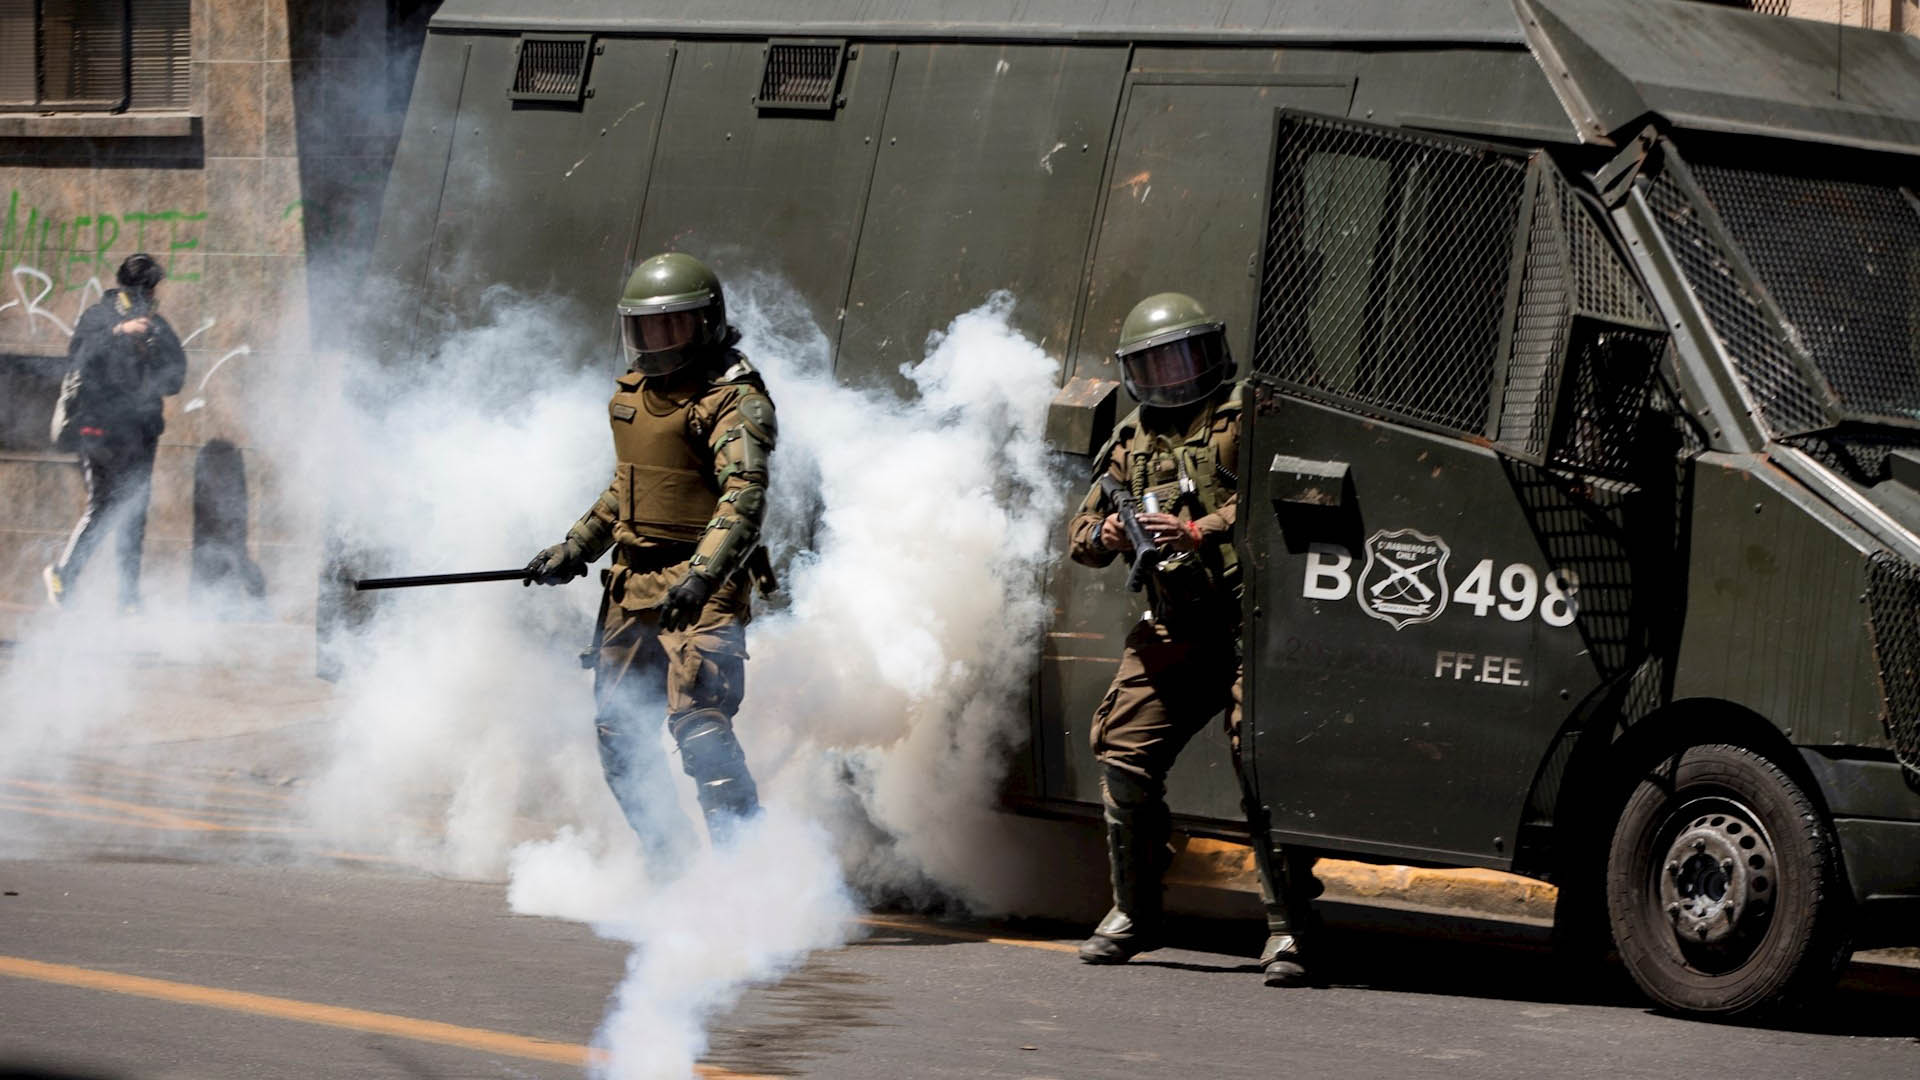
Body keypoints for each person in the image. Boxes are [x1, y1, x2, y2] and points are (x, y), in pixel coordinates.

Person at [1067, 292, 1321, 986]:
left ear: (1212, 353)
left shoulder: (1246, 417)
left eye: (1184, 357)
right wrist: (1109, 534)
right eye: (1156, 365)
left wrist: (1201, 529)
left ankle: (1287, 927)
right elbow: (1079, 538)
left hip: (1254, 624)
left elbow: (1286, 494)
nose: (1173, 376)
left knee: (1260, 762)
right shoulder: (1131, 442)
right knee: (1123, 754)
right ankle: (1135, 911)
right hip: (1176, 624)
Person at [525, 252, 775, 868]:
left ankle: (749, 876)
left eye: (674, 326)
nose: (658, 343)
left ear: (707, 323)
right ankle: (672, 867)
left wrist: (700, 576)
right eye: (646, 328)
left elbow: (742, 500)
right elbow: (628, 490)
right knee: (618, 735)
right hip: (632, 582)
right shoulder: (636, 396)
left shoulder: (731, 400)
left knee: (701, 731)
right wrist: (575, 548)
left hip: (703, 584)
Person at [44, 253, 188, 612]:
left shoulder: (157, 325)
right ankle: (65, 574)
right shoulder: (98, 317)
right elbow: (79, 357)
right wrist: (118, 333)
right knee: (105, 506)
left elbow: (175, 379)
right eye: (150, 289)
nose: (153, 297)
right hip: (101, 429)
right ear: (137, 287)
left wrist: (154, 349)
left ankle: (127, 595)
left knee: (134, 511)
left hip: (140, 433)